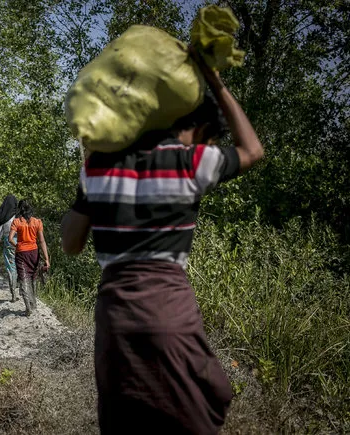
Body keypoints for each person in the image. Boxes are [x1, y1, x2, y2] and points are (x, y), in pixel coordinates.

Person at [60, 53, 264, 434]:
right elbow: (253, 149)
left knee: (126, 421)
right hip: (169, 313)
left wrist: (89, 169)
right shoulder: (190, 162)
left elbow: (70, 243)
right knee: (200, 405)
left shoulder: (99, 166)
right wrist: (215, 82)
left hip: (115, 320)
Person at [8, 200, 50, 316]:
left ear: (20, 209)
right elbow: (42, 241)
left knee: (23, 278)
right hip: (34, 252)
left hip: (21, 253)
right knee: (32, 277)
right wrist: (46, 259)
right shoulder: (37, 222)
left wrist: (18, 246)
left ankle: (28, 308)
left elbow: (10, 238)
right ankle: (33, 303)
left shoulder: (16, 222)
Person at [0, 194, 19, 302]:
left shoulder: (4, 218)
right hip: (23, 243)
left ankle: (13, 293)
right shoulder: (19, 217)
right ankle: (24, 290)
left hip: (9, 242)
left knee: (11, 267)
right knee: (21, 265)